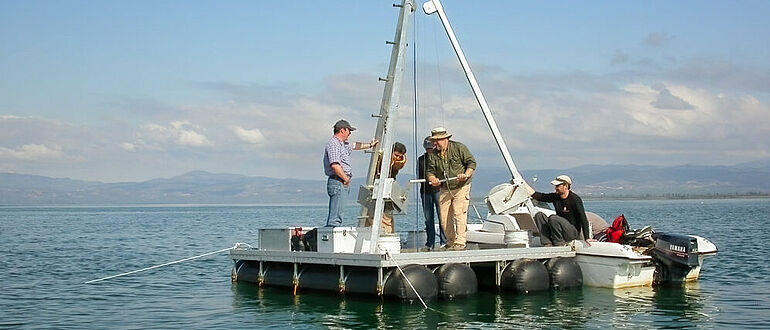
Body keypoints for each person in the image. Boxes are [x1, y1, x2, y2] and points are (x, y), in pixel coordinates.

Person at [425, 127, 476, 250]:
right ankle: (450, 241)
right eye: (433, 141)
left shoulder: (459, 148)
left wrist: (466, 174)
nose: (435, 143)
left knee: (459, 213)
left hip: (461, 186)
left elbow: (471, 163)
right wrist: (433, 179)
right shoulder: (433, 155)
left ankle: (460, 241)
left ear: (445, 139)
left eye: (437, 140)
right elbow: (430, 172)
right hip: (445, 188)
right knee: (444, 217)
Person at [323, 119, 377, 227]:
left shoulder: (342, 144)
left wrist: (370, 145)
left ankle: (332, 234)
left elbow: (355, 146)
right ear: (342, 130)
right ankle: (331, 237)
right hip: (338, 181)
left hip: (340, 181)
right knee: (335, 218)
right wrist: (345, 179)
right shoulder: (334, 144)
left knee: (338, 213)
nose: (350, 133)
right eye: (349, 130)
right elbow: (335, 165)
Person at [524, 175, 591, 246]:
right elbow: (538, 196)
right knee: (539, 215)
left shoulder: (575, 199)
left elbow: (583, 218)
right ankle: (547, 243)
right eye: (555, 186)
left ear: (565, 186)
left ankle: (558, 243)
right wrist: (523, 183)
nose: (555, 188)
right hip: (559, 229)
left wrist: (587, 238)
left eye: (558, 186)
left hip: (571, 232)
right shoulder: (555, 196)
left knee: (553, 218)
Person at [364, 142, 407, 234]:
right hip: (376, 186)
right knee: (371, 215)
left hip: (388, 188)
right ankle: (370, 234)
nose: (397, 158)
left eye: (400, 156)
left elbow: (398, 165)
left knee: (387, 217)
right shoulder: (381, 157)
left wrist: (398, 159)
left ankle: (388, 234)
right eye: (396, 155)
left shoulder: (396, 164)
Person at [417, 136, 446, 250]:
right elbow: (420, 175)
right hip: (425, 191)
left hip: (438, 191)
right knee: (428, 218)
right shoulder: (421, 160)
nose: (429, 150)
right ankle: (430, 243)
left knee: (442, 216)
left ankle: (444, 241)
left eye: (431, 148)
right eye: (427, 148)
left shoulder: (439, 158)